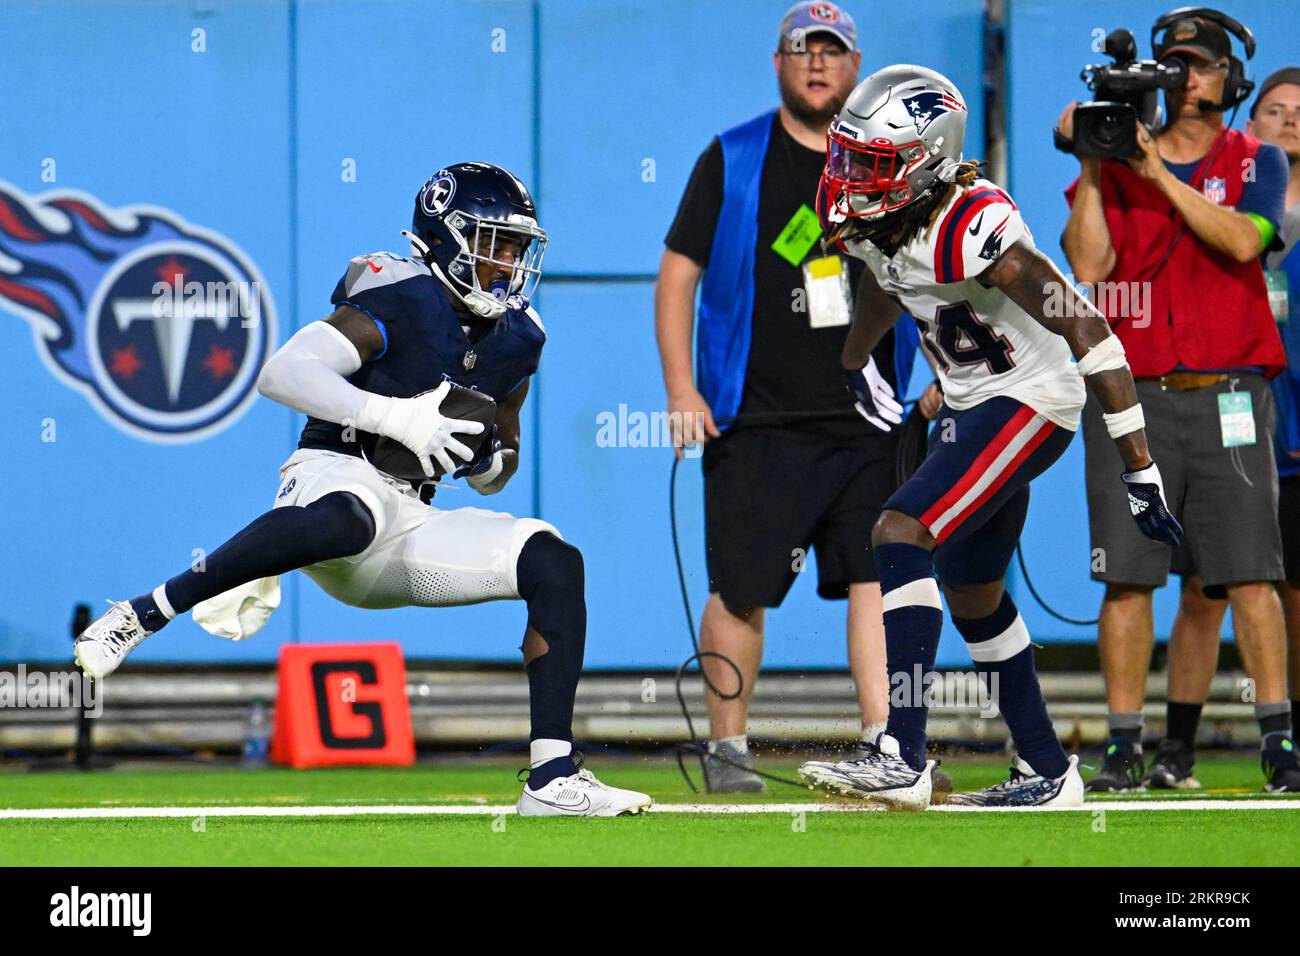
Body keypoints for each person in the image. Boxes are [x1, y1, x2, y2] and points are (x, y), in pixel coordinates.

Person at [71, 162, 653, 817]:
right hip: (332, 476)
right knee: (355, 516)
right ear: (446, 236)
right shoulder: (402, 295)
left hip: (412, 514)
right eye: (496, 243)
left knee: (555, 560)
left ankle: (551, 779)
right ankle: (145, 611)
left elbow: (502, 457)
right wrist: (395, 416)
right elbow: (283, 373)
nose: (508, 263)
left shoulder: (520, 336)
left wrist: (487, 460)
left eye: (516, 248)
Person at [797, 64, 1181, 809]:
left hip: (1032, 400)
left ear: (925, 161)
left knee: (899, 531)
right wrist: (854, 362)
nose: (848, 176)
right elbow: (885, 281)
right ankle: (1045, 769)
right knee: (973, 593)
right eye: (847, 156)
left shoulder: (974, 222)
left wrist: (1138, 467)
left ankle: (901, 752)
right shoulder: (880, 218)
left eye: (870, 163)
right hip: (974, 407)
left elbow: (1089, 329)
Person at [655, 0, 923, 794]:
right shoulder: (733, 157)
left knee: (877, 579)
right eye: (802, 50)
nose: (816, 63)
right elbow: (678, 277)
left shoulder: (892, 162)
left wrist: (941, 375)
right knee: (739, 590)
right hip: (756, 422)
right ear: (778, 64)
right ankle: (729, 753)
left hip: (869, 421)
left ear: (855, 66)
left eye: (832, 51)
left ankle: (886, 745)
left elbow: (934, 273)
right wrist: (681, 388)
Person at [1058, 12, 1299, 793]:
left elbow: (1241, 240)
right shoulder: (1118, 161)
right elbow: (1089, 266)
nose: (1181, 76)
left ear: (1228, 82)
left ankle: (1278, 743)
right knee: (1127, 578)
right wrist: (1098, 165)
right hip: (1133, 395)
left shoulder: (1257, 158)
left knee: (1250, 574)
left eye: (1196, 65)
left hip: (1229, 388)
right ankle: (1126, 747)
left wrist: (1156, 172)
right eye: (1171, 63)